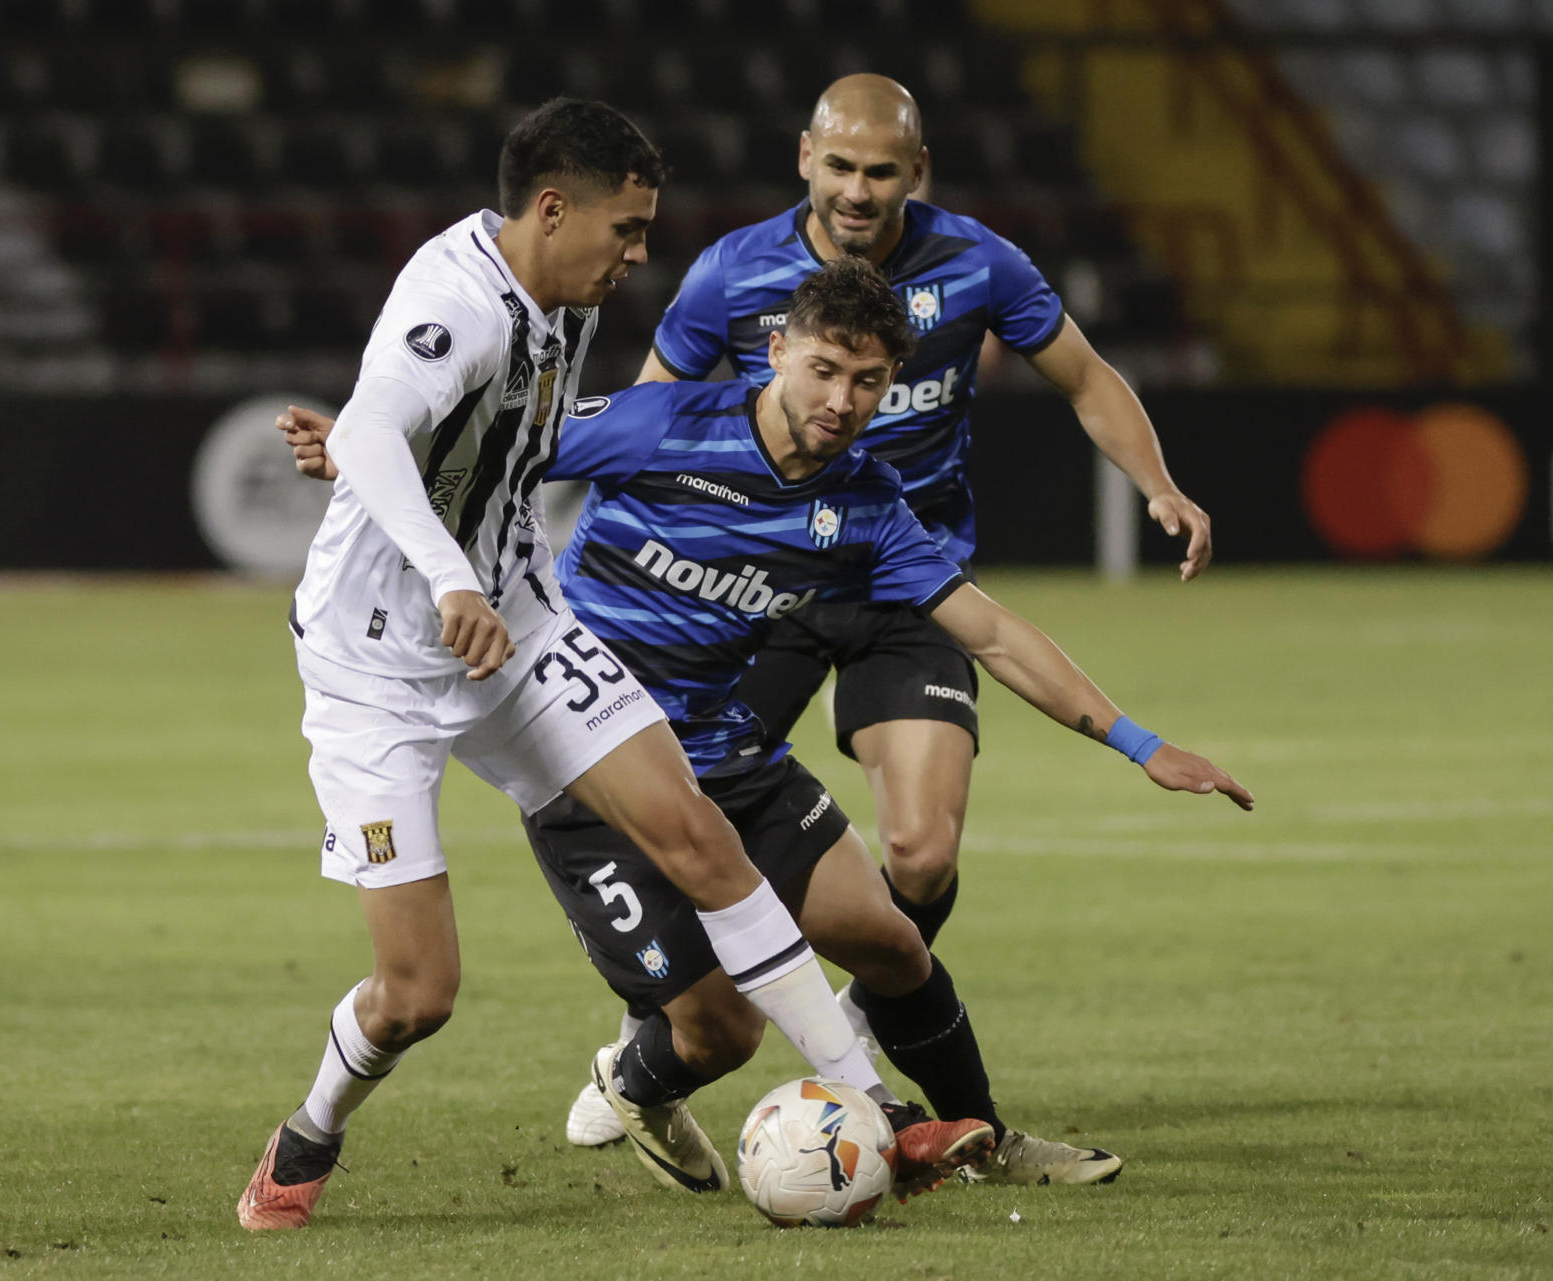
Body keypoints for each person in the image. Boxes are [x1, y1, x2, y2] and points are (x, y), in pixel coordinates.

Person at [287, 258, 1253, 1190]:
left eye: (869, 380)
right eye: (825, 369)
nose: (841, 399)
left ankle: (981, 1139)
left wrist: (1140, 743)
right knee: (718, 1030)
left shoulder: (868, 504)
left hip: (730, 758)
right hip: (597, 770)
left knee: (893, 945)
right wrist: (354, 444)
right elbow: (496, 444)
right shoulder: (659, 422)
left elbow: (991, 633)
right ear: (777, 351)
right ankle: (635, 1082)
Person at [240, 99, 979, 1232]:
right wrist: (439, 564)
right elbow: (383, 428)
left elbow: (440, 443)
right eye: (626, 231)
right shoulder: (457, 302)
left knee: (702, 836)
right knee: (414, 998)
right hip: (380, 665)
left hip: (520, 629)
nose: (637, 256)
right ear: (551, 209)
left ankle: (877, 1109)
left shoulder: (557, 303)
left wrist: (366, 462)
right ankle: (307, 1135)